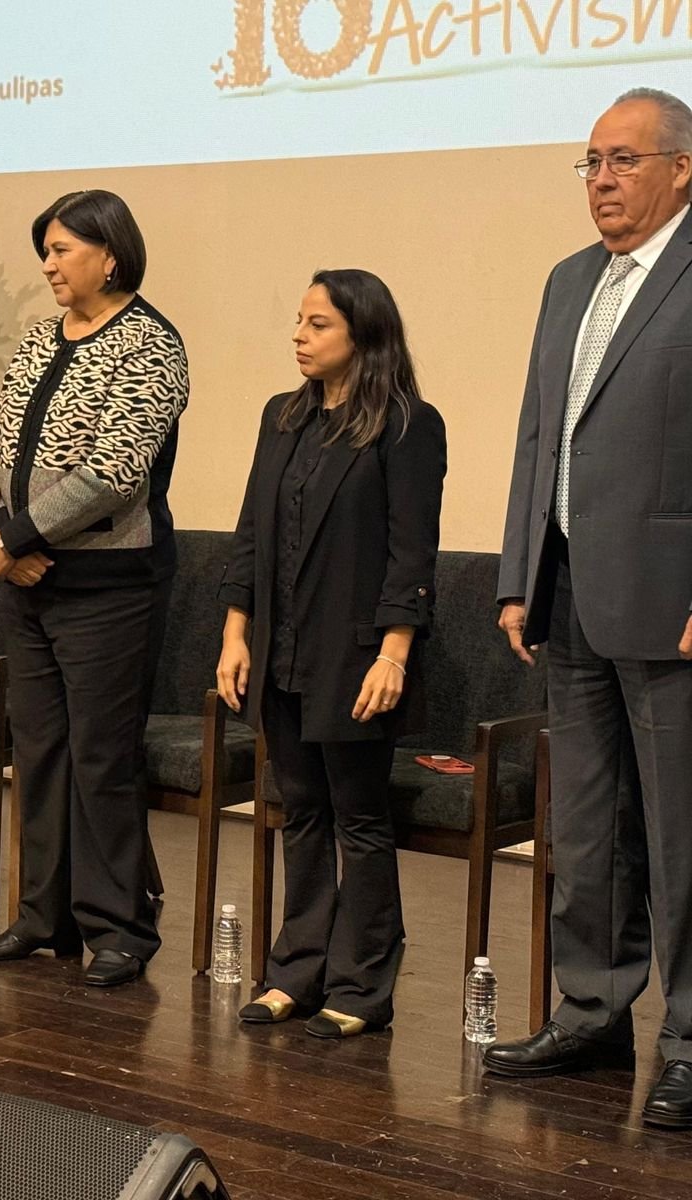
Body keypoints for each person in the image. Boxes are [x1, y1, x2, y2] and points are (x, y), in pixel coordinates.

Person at [486, 88, 692, 1128]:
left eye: (623, 160)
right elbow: (540, 434)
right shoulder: (570, 279)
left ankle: (690, 1039)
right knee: (586, 827)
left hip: (671, 601)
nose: (601, 180)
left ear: (681, 169)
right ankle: (592, 1011)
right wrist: (518, 573)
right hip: (568, 593)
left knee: (682, 837)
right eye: (591, 162)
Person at [0, 189, 188, 988]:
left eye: (62, 250)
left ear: (111, 255)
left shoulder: (151, 345)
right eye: (47, 251)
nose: (48, 265)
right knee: (41, 751)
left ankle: (120, 927)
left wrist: (19, 538)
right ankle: (44, 916)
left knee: (102, 756)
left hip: (109, 586)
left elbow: (115, 471)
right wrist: (0, 537)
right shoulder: (41, 338)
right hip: (27, 581)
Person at [218, 269, 446, 1037]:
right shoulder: (282, 417)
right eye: (299, 320)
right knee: (302, 811)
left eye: (318, 325)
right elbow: (251, 533)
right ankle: (297, 971)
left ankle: (362, 985)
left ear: (364, 335)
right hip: (281, 651)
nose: (299, 336)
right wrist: (235, 634)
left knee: (359, 818)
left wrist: (394, 654)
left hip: (356, 657)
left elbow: (412, 555)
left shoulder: (407, 426)